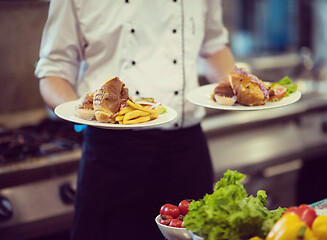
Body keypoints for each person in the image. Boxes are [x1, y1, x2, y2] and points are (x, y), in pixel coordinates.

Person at [35, 0, 235, 239]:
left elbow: (214, 47)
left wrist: (239, 86)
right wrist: (80, 112)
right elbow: (53, 72)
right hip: (111, 156)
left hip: (186, 153)